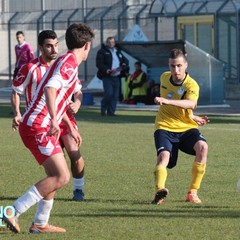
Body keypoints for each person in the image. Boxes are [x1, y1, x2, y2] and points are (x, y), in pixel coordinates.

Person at [3, 23, 94, 234]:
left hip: (40, 124)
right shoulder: (69, 63)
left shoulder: (65, 60)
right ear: (87, 45)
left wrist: (69, 125)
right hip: (38, 126)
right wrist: (54, 119)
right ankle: (11, 211)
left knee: (53, 176)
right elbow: (50, 89)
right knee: (62, 176)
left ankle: (40, 223)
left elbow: (57, 97)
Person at [11, 30, 86, 202]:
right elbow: (16, 91)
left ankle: (78, 191)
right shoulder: (31, 68)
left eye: (56, 45)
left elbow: (77, 91)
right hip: (42, 120)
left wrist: (77, 104)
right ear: (40, 47)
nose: (53, 49)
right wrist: (17, 113)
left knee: (74, 155)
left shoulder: (62, 65)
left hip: (62, 117)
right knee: (56, 172)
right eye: (49, 46)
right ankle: (19, 214)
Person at [151, 48, 208, 205]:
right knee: (164, 158)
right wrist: (192, 116)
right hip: (164, 126)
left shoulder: (192, 85)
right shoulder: (164, 78)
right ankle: (159, 192)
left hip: (186, 128)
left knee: (203, 147)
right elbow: (178, 99)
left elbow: (191, 103)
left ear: (186, 65)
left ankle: (192, 193)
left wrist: (190, 115)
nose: (175, 70)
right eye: (172, 66)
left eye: (179, 66)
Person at [96, 36, 129, 116]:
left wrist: (124, 64)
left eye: (113, 42)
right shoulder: (102, 51)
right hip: (107, 76)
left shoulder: (117, 51)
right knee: (109, 94)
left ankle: (111, 112)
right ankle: (103, 109)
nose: (111, 44)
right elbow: (99, 63)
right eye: (109, 42)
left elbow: (126, 60)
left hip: (116, 76)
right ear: (107, 43)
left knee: (115, 95)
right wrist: (106, 70)